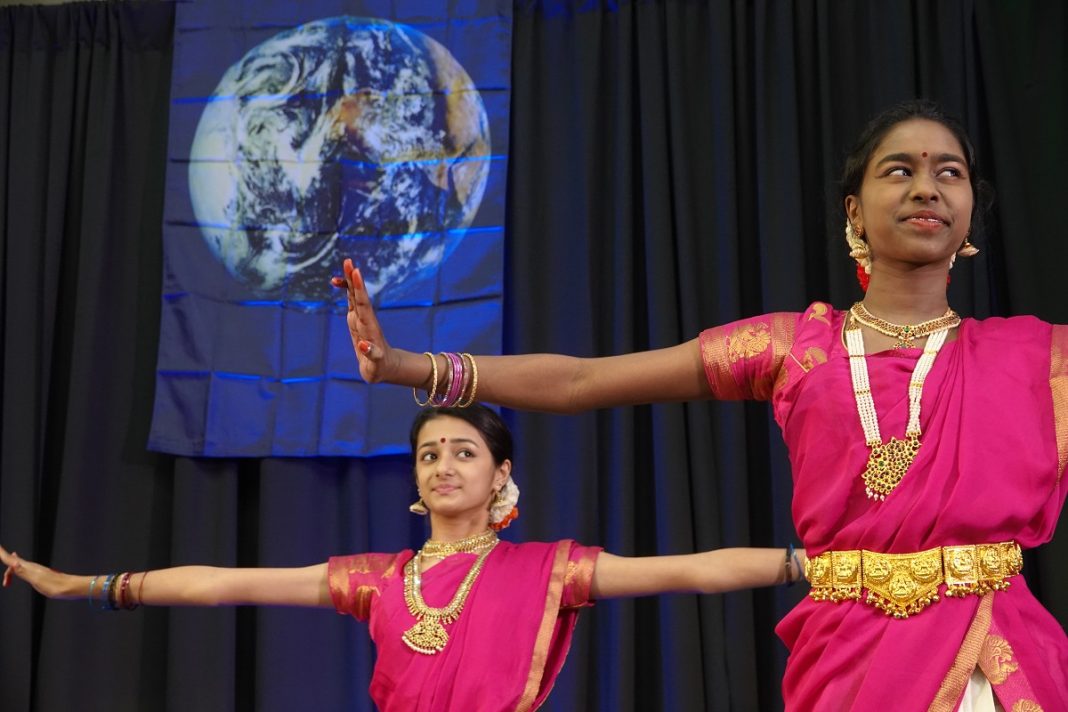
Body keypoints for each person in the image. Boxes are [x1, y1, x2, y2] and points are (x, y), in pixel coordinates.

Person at [332, 99, 1068, 710]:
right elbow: (584, 383)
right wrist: (407, 367)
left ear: (970, 210)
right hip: (850, 660)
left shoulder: (1036, 359)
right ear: (856, 208)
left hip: (987, 651)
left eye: (950, 174)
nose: (926, 188)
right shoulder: (794, 347)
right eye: (898, 171)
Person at [1, 404, 803, 712]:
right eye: (428, 455)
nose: (444, 466)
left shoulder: (550, 570)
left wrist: (815, 564)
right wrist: (84, 585)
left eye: (462, 452)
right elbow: (221, 585)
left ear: (501, 477)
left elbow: (695, 568)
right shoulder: (376, 580)